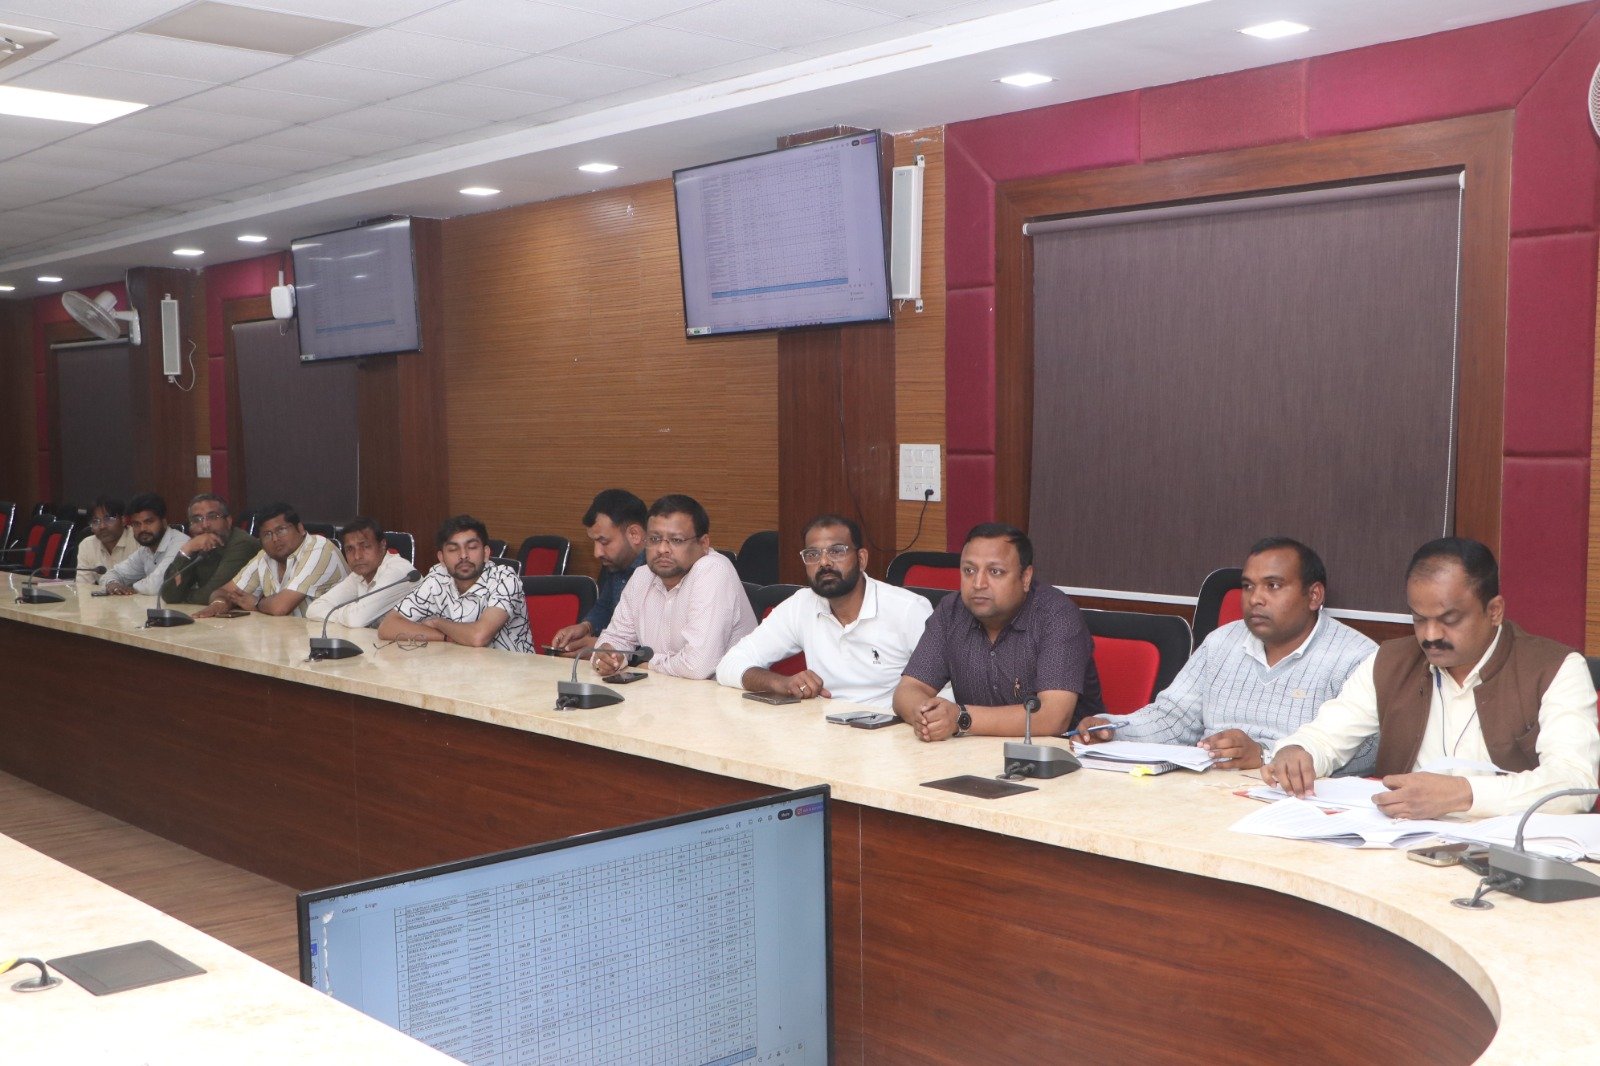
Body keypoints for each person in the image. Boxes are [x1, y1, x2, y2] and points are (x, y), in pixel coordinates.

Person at [1264, 538, 1600, 818]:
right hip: (1401, 845)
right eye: (1419, 619)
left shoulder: (1556, 668)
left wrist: (1462, 794)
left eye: (1449, 619)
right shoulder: (1390, 661)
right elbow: (1326, 736)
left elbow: (1575, 785)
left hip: (1507, 854)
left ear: (1494, 611)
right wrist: (1298, 750)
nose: (1430, 635)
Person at [1075, 538, 1376, 772]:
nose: (1255, 599)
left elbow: (1368, 752)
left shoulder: (1356, 657)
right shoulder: (1221, 642)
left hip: (1291, 801)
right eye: (1248, 587)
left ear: (1313, 595)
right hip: (1206, 792)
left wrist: (1264, 755)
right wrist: (1113, 729)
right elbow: (1174, 717)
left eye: (1273, 586)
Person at [893, 523, 1102, 741]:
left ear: (1026, 577)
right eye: (969, 570)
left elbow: (1053, 717)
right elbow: (907, 691)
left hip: (1055, 754)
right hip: (974, 752)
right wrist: (926, 715)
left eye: (995, 572)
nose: (978, 583)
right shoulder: (951, 612)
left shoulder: (1057, 616)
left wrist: (961, 718)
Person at [716, 514, 933, 707]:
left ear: (861, 559)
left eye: (836, 551)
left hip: (892, 730)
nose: (824, 562)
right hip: (823, 730)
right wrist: (782, 683)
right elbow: (729, 665)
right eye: (812, 554)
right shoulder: (802, 604)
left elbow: (947, 688)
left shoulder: (908, 610)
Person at [592, 494, 756, 679]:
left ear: (703, 544)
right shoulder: (642, 576)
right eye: (654, 539)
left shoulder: (713, 570)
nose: (662, 549)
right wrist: (607, 655)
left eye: (676, 540)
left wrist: (650, 665)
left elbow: (698, 666)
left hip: (725, 693)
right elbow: (616, 638)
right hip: (668, 691)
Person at [378, 515, 532, 652]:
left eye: (472, 547)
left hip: (509, 672)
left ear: (486, 553)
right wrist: (445, 637)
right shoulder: (438, 577)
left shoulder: (505, 579)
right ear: (441, 558)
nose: (463, 555)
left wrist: (438, 623)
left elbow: (478, 637)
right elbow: (387, 627)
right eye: (453, 549)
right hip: (458, 668)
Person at [195, 502, 346, 619]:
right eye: (267, 534)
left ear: (300, 529)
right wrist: (220, 603)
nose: (274, 539)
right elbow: (223, 592)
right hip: (290, 638)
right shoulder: (265, 557)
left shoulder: (319, 549)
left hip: (332, 640)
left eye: (281, 530)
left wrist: (256, 603)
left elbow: (280, 607)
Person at [549, 489, 648, 654]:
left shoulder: (661, 570)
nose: (597, 553)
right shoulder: (614, 563)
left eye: (604, 541)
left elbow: (659, 641)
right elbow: (605, 606)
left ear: (634, 534)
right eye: (594, 542)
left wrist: (603, 645)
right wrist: (586, 627)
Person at [306, 519, 419, 629]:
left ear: (382, 545)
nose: (357, 556)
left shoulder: (398, 572)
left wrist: (342, 613)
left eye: (365, 547)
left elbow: (356, 620)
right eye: (350, 549)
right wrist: (350, 613)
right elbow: (313, 609)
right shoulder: (359, 575)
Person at [160, 494, 260, 605]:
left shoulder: (242, 543)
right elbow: (169, 595)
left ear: (228, 521)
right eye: (196, 519)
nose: (205, 525)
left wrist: (184, 597)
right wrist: (186, 550)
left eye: (212, 517)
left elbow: (214, 593)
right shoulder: (198, 545)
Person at [103, 493, 188, 596]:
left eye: (149, 522)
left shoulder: (180, 544)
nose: (142, 529)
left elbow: (156, 586)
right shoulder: (145, 550)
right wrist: (112, 584)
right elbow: (113, 573)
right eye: (136, 524)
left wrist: (130, 588)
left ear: (164, 522)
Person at [75, 496, 137, 585]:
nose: (102, 526)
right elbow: (83, 586)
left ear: (123, 520)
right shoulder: (87, 545)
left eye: (108, 519)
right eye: (95, 521)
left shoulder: (138, 540)